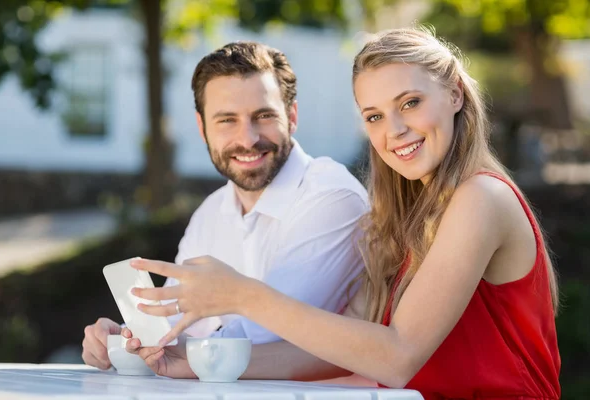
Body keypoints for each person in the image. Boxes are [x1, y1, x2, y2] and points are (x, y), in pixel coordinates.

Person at [128, 27, 561, 399]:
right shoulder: (406, 221)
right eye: (374, 116)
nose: (394, 130)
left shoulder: (481, 197)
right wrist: (188, 362)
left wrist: (242, 295)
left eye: (410, 102)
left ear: (454, 93)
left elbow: (397, 356)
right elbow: (327, 350)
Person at [81, 41, 369, 371]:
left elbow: (267, 338)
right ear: (203, 128)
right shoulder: (211, 212)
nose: (247, 139)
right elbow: (175, 331)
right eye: (227, 120)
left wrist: (171, 351)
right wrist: (126, 342)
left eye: (263, 116)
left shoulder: (330, 197)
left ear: (291, 117)